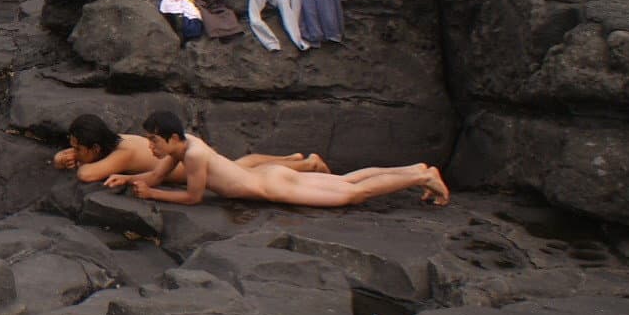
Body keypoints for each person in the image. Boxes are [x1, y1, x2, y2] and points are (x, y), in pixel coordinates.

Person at [104, 111, 448, 208]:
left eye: (154, 141)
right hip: (270, 175)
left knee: (352, 194)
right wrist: (130, 179)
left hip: (273, 187)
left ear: (172, 139)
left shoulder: (192, 155)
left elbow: (193, 198)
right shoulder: (186, 145)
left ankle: (421, 178)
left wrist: (152, 195)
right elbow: (156, 176)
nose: (150, 148)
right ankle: (415, 169)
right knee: (346, 180)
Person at [53, 113, 328, 183]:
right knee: (240, 163)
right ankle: (292, 158)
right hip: (182, 159)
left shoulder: (123, 154)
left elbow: (87, 175)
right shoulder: (115, 141)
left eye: (78, 148)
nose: (74, 152)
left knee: (244, 171)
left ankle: (307, 165)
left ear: (95, 147)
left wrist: (78, 162)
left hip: (188, 168)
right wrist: (64, 156)